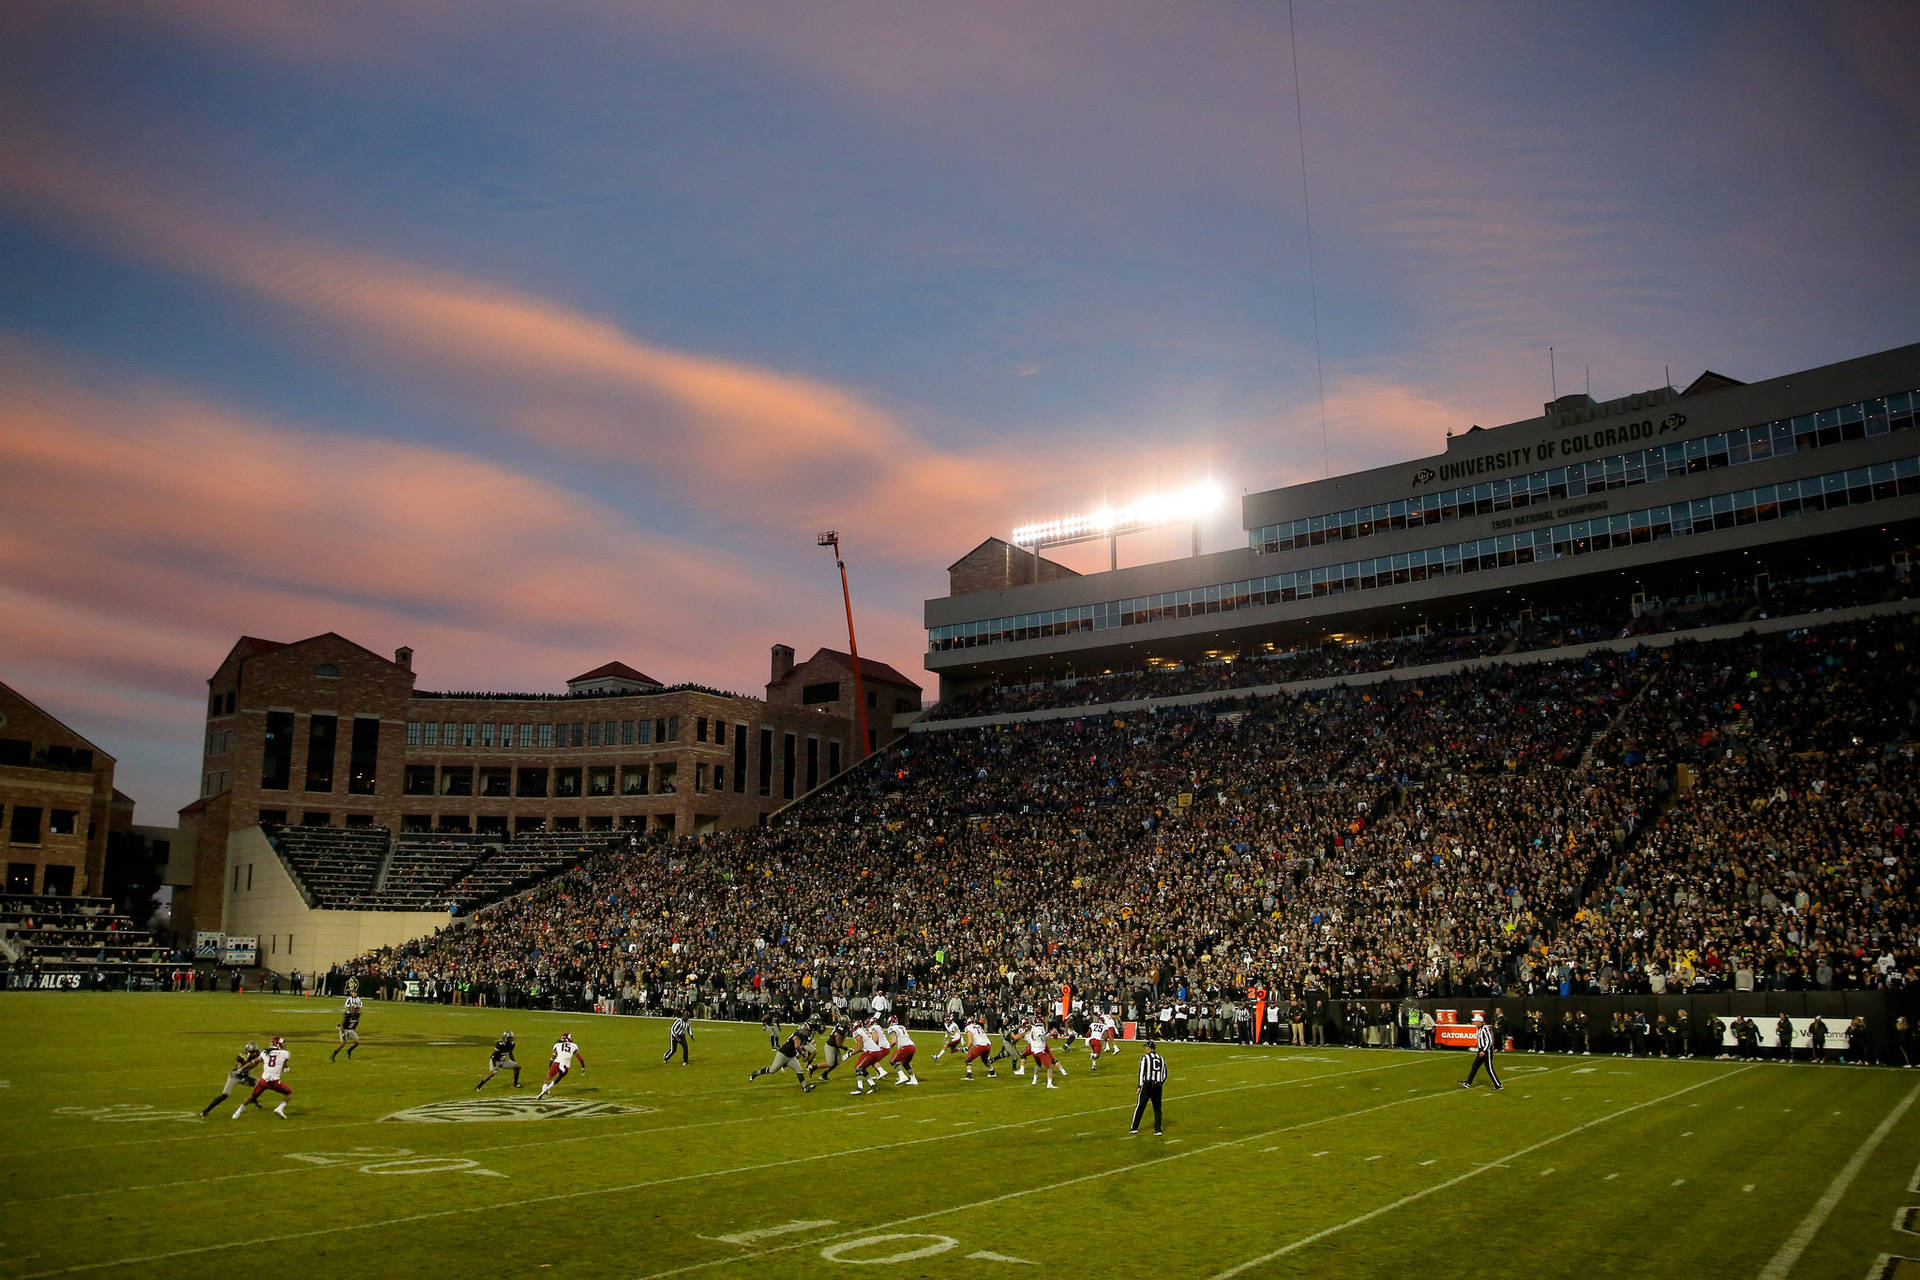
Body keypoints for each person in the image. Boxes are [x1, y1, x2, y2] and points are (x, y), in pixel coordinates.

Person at [235, 1036, 292, 1119]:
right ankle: (279, 1109)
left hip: (263, 1081)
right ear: (279, 1045)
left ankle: (237, 1112)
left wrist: (242, 1069)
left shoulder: (265, 1052)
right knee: (289, 1093)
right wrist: (286, 1068)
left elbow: (253, 1062)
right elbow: (285, 1066)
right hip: (274, 1082)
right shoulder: (285, 1053)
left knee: (252, 1097)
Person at [202, 1042, 261, 1117]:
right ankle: (206, 1111)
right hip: (234, 1077)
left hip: (245, 1077)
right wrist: (246, 1060)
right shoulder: (242, 1057)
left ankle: (253, 1100)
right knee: (224, 1095)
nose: (255, 1053)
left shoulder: (258, 1055)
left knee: (259, 1084)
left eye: (256, 1051)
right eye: (253, 1052)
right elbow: (240, 1066)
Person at [750, 1022, 814, 1090]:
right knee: (772, 1070)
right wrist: (803, 1054)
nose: (808, 1032)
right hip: (783, 1054)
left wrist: (803, 1051)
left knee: (799, 1070)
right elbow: (797, 1046)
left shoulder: (800, 1035)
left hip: (790, 1056)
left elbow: (798, 1046)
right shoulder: (798, 1036)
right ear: (803, 1030)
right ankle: (757, 1073)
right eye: (807, 1030)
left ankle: (805, 1086)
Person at [1130, 1040, 1167, 1135]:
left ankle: (1134, 1128)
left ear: (1150, 1048)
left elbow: (1141, 1072)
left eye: (1146, 1047)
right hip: (1158, 1085)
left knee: (1140, 1106)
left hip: (1148, 1085)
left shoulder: (1145, 1058)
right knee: (1157, 1108)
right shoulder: (1161, 1059)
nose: (1145, 1049)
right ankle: (1158, 1129)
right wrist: (1159, 1083)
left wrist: (1140, 1085)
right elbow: (1165, 1074)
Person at [1459, 1015, 1503, 1091]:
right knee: (1475, 1066)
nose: (1475, 1022)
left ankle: (1498, 1085)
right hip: (1481, 1050)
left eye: (1476, 1021)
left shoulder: (1485, 1029)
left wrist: (1484, 1050)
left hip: (1487, 1051)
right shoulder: (1479, 1029)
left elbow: (1489, 1041)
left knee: (1489, 1068)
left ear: (1480, 1022)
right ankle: (1468, 1083)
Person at [537, 1032, 585, 1098]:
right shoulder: (574, 1046)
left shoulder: (557, 1045)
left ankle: (543, 1090)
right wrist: (583, 1067)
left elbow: (552, 1058)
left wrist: (550, 1066)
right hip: (566, 1066)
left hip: (556, 1063)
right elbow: (581, 1059)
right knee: (559, 1078)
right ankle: (548, 1088)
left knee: (548, 1078)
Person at [1026, 1017, 1064, 1089]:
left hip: (1033, 1050)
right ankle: (1049, 1084)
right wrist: (1051, 1033)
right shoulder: (1039, 1028)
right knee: (1050, 1067)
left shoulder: (1033, 1028)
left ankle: (1034, 1080)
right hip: (1040, 1050)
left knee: (1038, 1064)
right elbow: (1044, 1039)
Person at [885, 1017, 919, 1086]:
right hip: (912, 1046)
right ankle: (913, 1079)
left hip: (905, 1047)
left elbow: (894, 1041)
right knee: (905, 1064)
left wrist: (888, 1047)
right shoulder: (902, 1026)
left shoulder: (892, 1028)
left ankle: (902, 1076)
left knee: (892, 1061)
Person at [331, 994, 362, 1062]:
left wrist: (354, 1029)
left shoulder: (358, 1014)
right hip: (344, 1029)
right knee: (343, 1044)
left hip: (350, 1030)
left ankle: (349, 1051)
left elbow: (357, 1022)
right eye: (355, 1009)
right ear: (352, 1009)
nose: (357, 1010)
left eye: (357, 1009)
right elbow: (342, 1024)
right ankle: (333, 1055)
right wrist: (342, 1032)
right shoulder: (347, 1014)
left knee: (357, 1042)